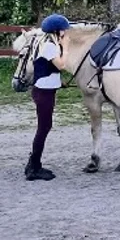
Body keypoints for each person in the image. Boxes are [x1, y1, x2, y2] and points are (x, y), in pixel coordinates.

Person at [26, 14, 70, 181]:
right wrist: (66, 47)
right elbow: (62, 64)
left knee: (44, 127)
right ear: (57, 31)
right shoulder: (50, 46)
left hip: (45, 90)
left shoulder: (47, 43)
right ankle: (34, 167)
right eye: (64, 30)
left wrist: (59, 82)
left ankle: (33, 164)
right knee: (43, 128)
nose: (66, 33)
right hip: (44, 93)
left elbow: (50, 68)